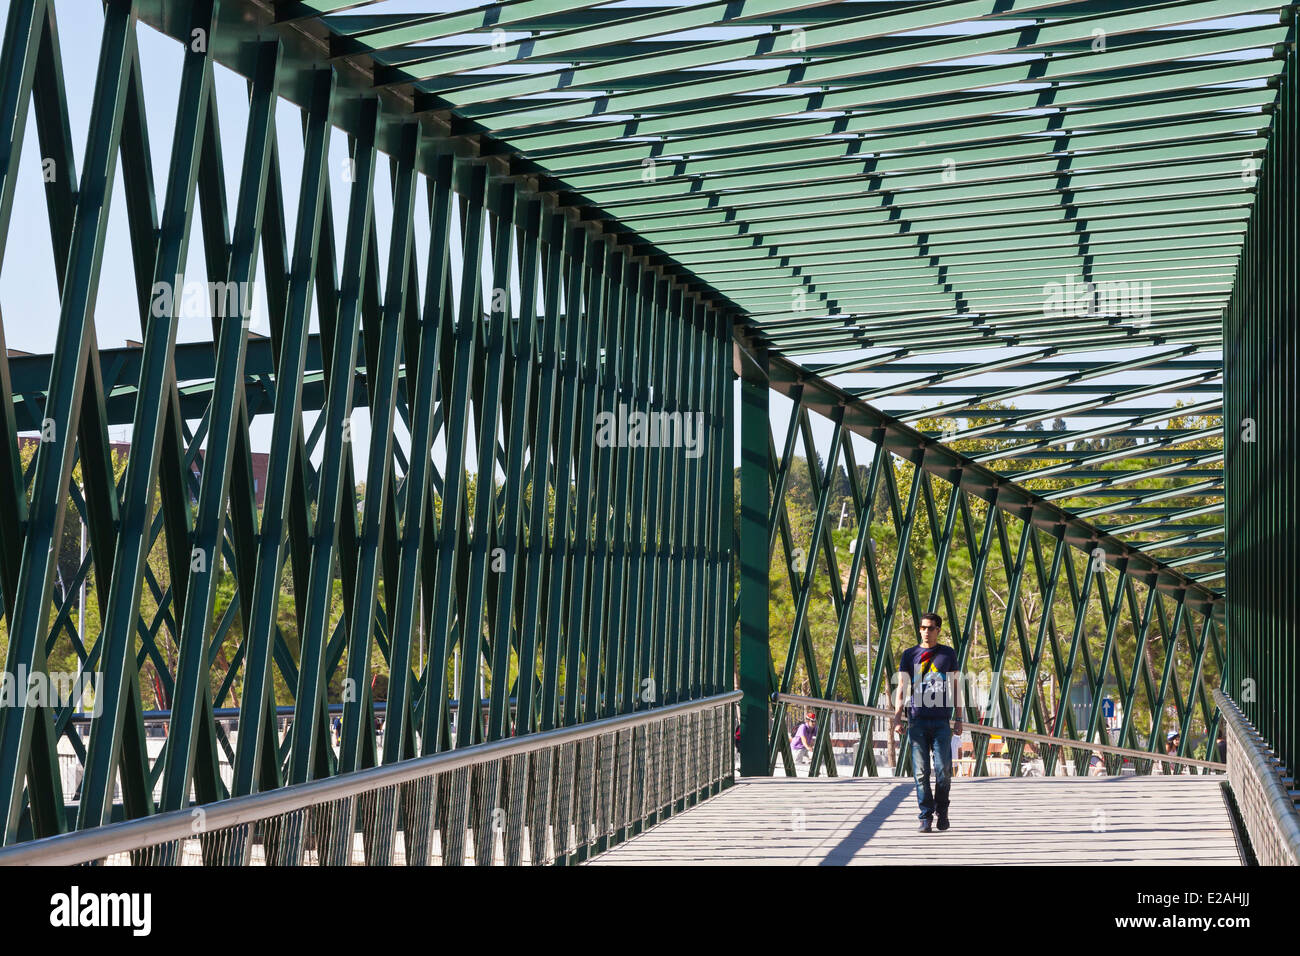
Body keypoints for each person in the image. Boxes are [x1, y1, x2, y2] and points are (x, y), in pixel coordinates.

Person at [892, 611, 962, 832]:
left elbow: (957, 687)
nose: (926, 631)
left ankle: (942, 810)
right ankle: (925, 816)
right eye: (923, 627)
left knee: (943, 771)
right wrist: (897, 717)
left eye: (931, 628)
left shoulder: (947, 654)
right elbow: (902, 688)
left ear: (938, 630)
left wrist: (959, 717)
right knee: (920, 772)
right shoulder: (909, 654)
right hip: (917, 721)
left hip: (941, 721)